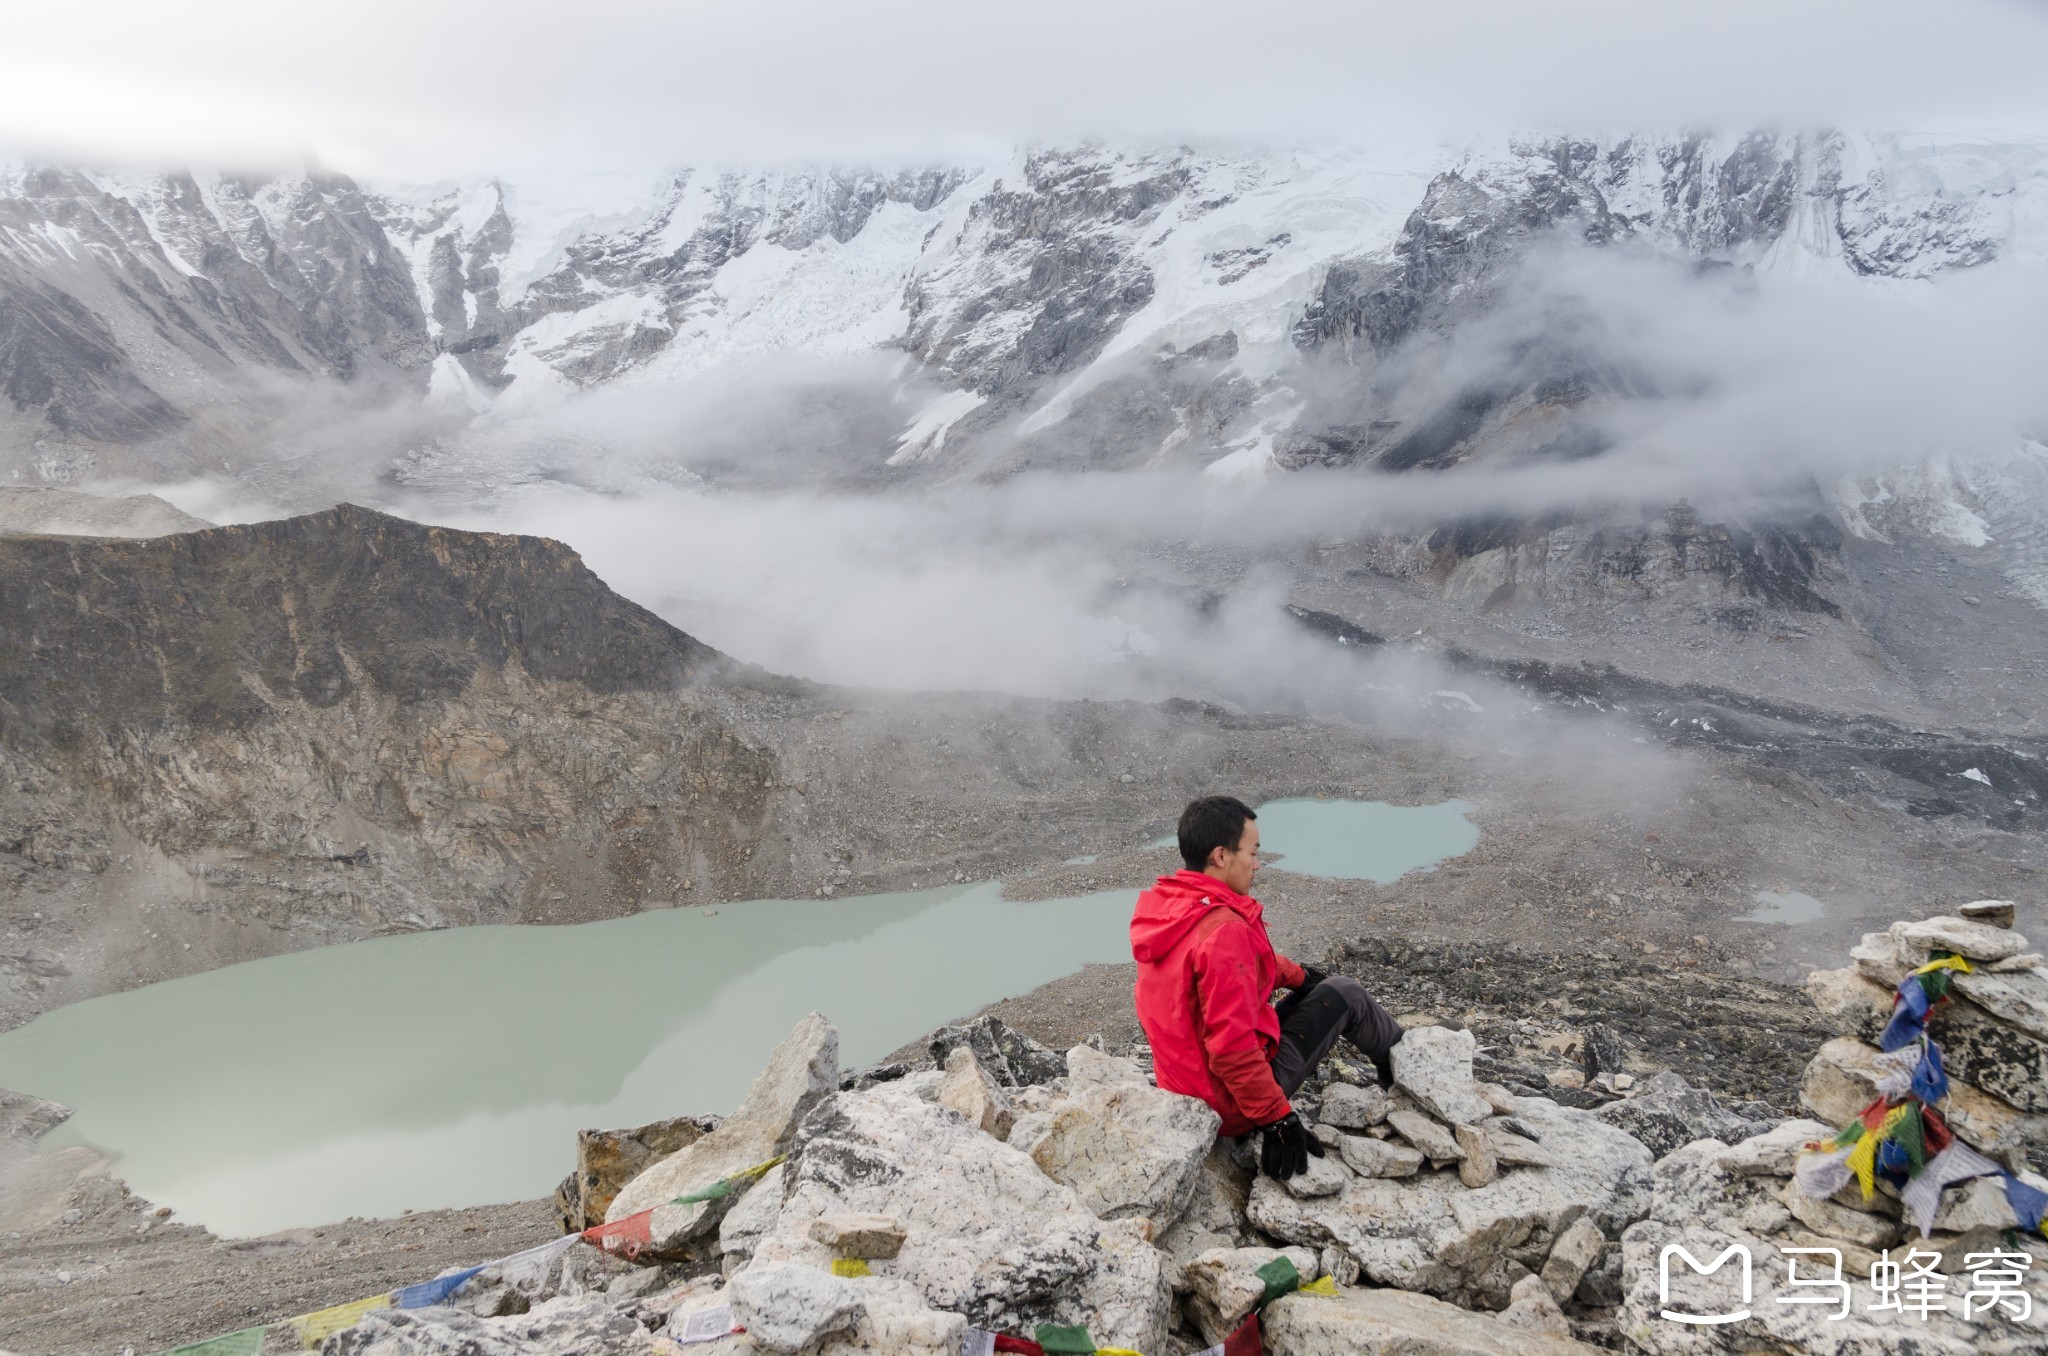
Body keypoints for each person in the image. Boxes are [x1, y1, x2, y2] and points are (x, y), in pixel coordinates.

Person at [1131, 795, 1403, 1180]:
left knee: (1318, 990)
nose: (1258, 863)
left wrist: (1301, 978)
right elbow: (1230, 1047)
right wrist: (1277, 1120)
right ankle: (1407, 1070)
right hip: (1228, 1104)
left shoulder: (1172, 907)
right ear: (1221, 857)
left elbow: (1237, 969)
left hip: (1184, 1086)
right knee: (1347, 993)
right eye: (1253, 852)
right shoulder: (1225, 931)